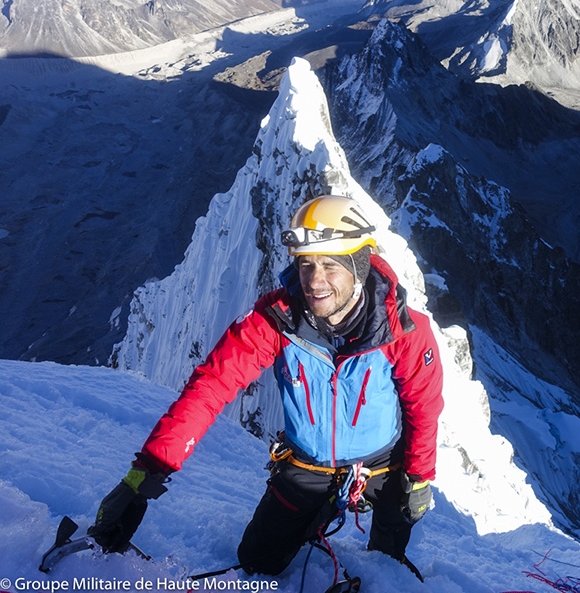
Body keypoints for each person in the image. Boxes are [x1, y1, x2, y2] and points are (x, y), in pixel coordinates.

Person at [88, 195, 444, 576]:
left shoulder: (404, 330)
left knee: (387, 565)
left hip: (383, 467)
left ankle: (355, 528)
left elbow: (422, 406)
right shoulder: (275, 320)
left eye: (329, 265)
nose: (314, 281)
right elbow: (209, 389)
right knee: (259, 561)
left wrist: (419, 476)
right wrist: (145, 473)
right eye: (305, 264)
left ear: (357, 267)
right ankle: (315, 514)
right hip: (308, 465)